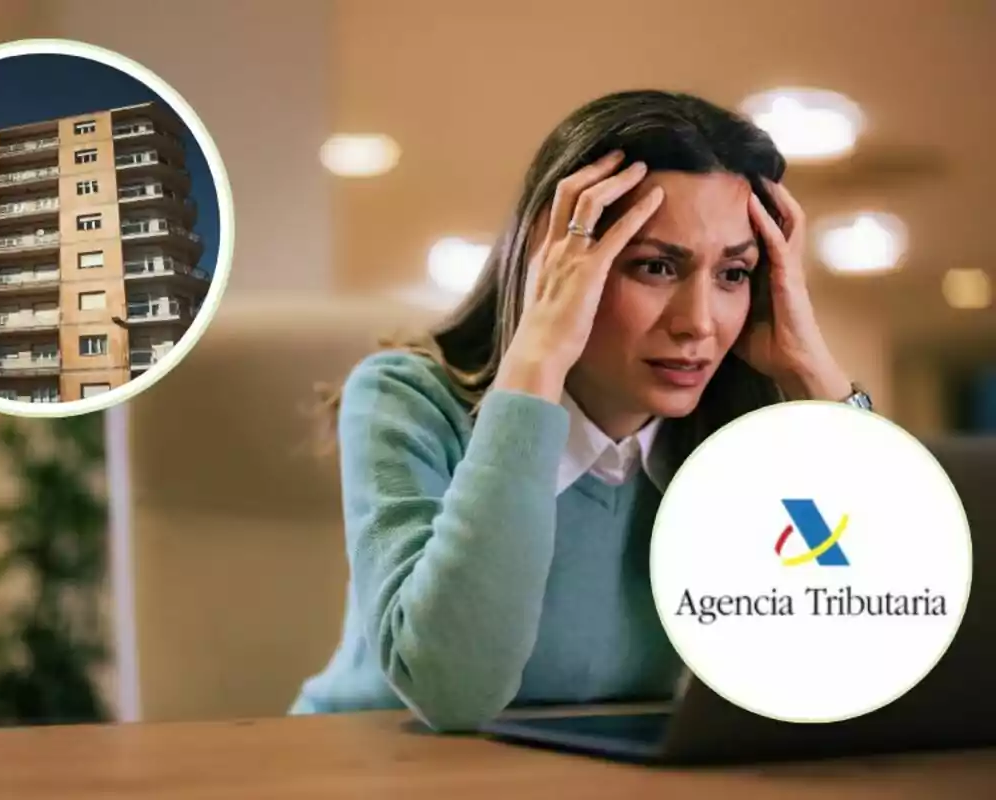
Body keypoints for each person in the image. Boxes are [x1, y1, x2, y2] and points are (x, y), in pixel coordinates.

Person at [290, 90, 869, 732]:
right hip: (368, 768)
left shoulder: (735, 436)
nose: (699, 323)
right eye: (655, 266)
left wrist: (816, 376)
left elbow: (885, 642)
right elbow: (452, 692)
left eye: (733, 273)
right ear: (562, 260)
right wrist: (537, 357)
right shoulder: (407, 399)